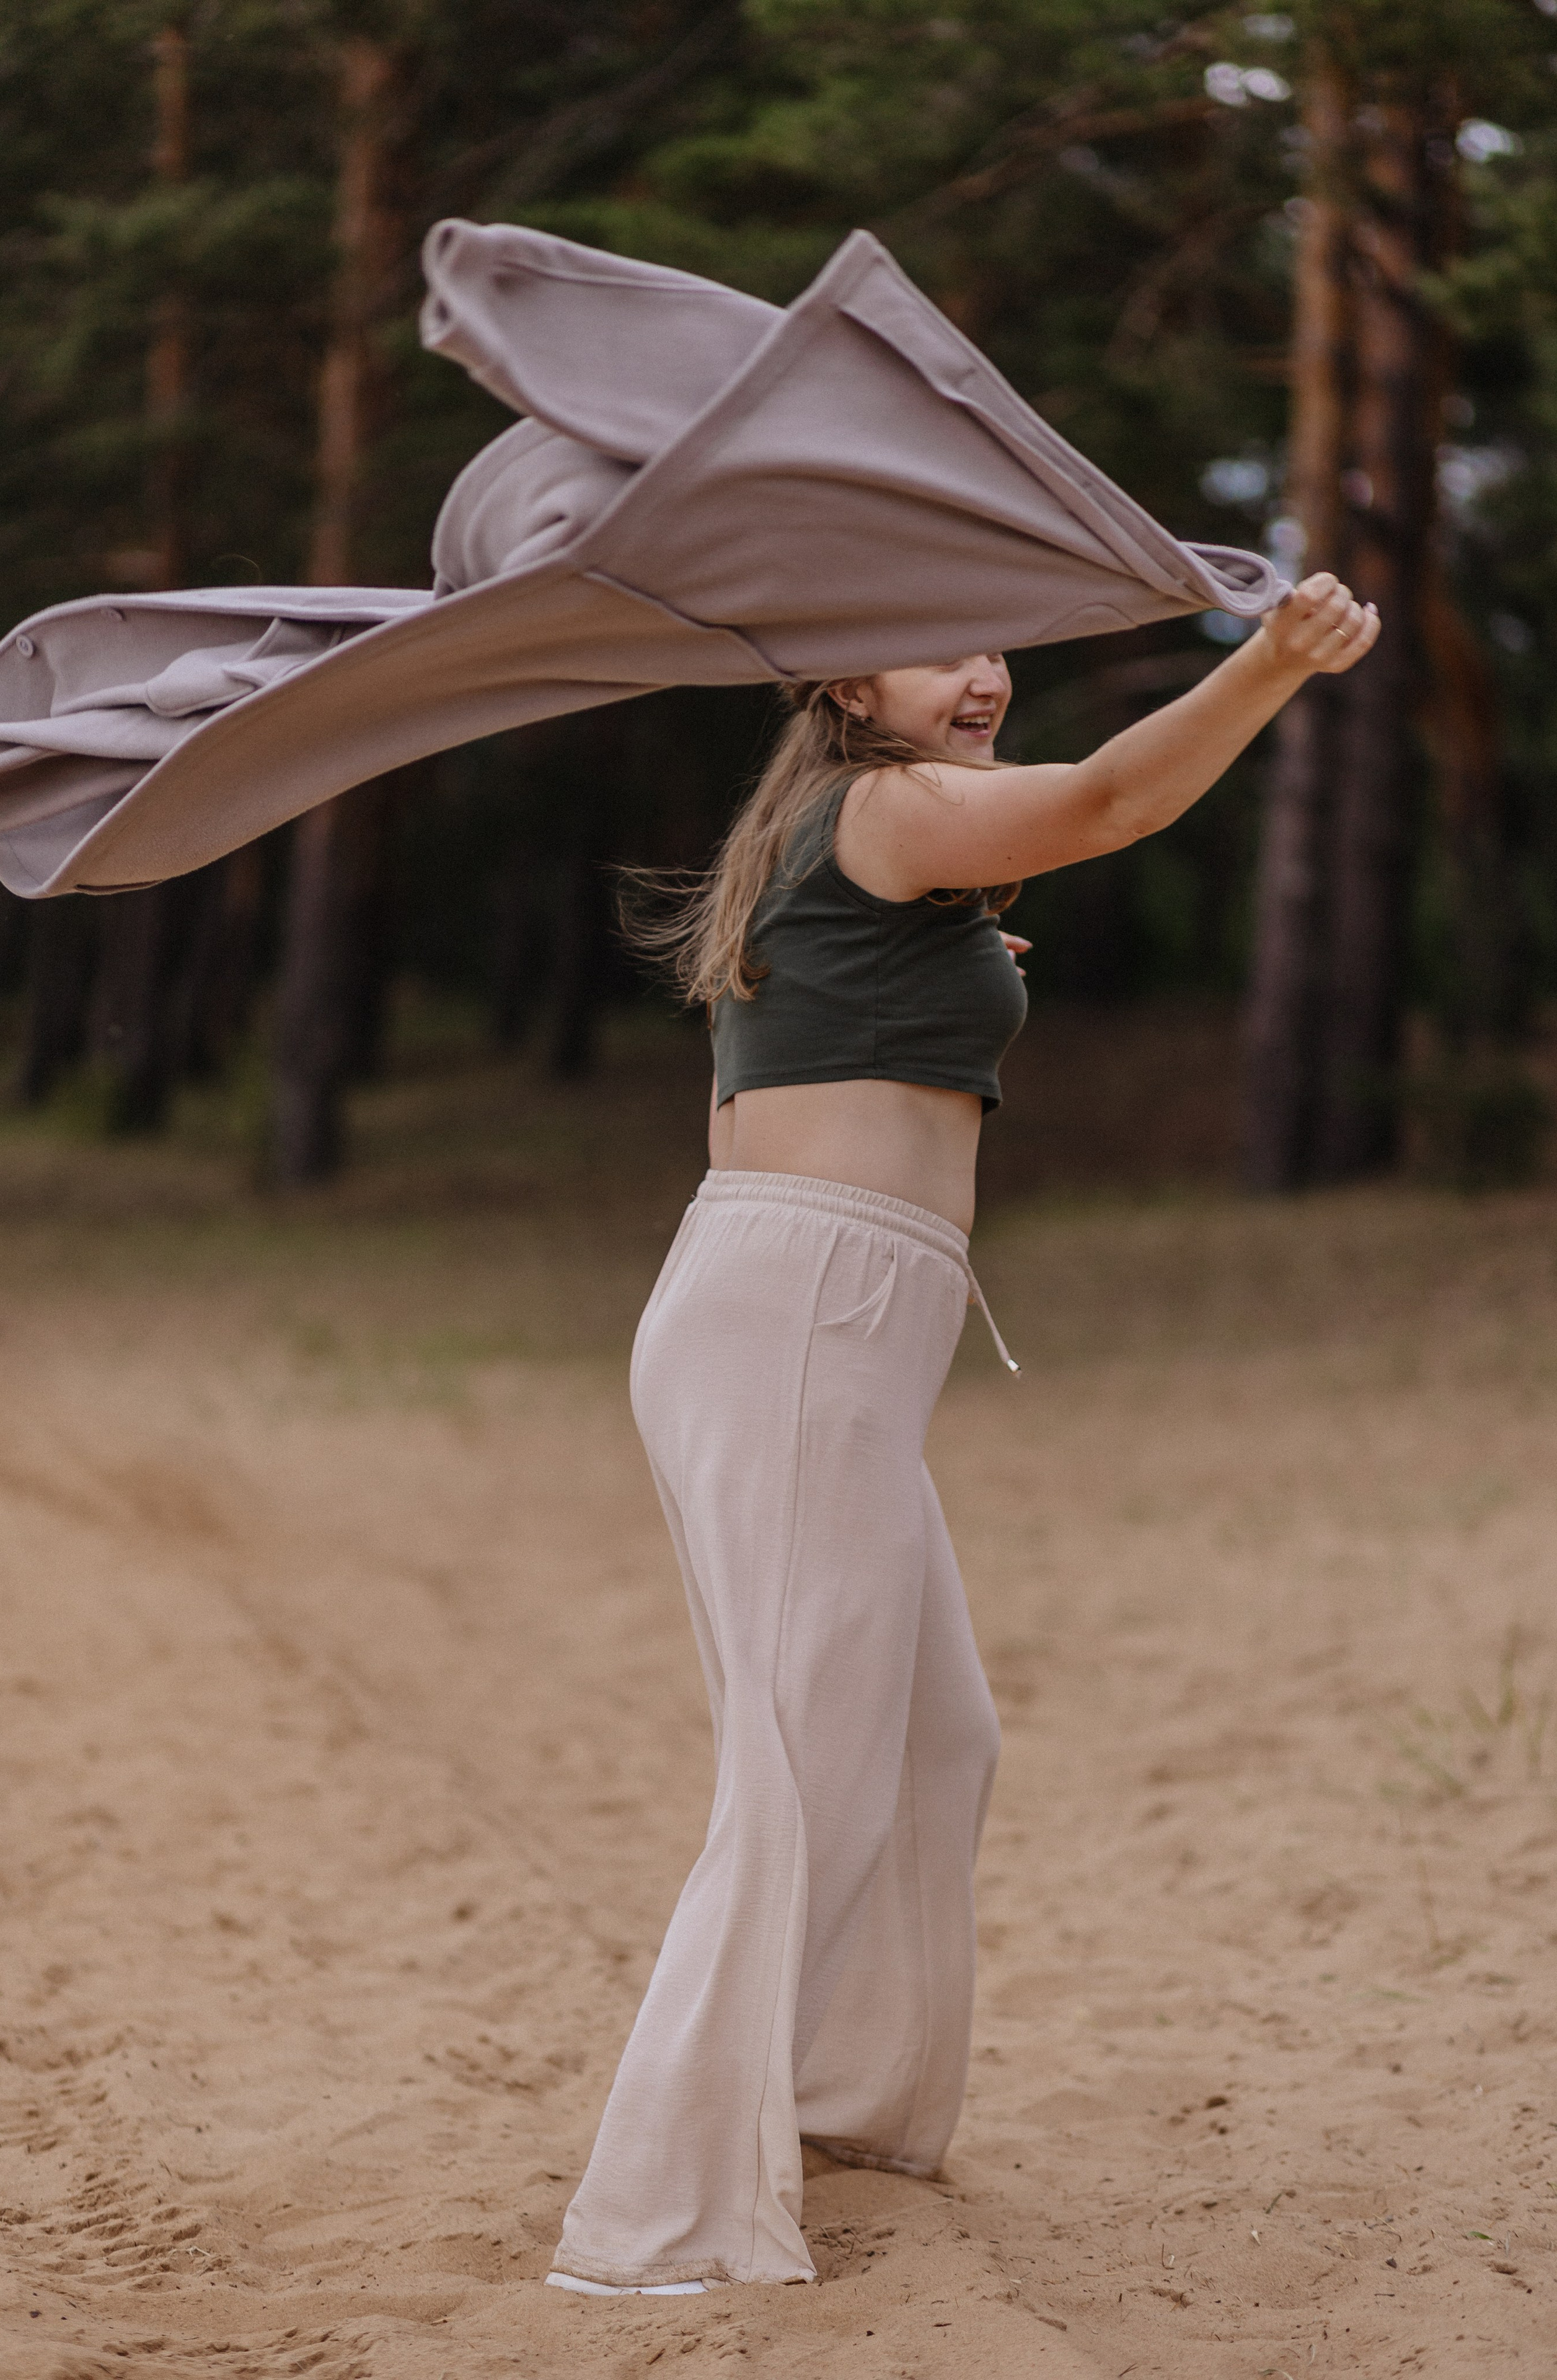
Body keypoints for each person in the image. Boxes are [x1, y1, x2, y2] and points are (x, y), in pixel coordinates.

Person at [545, 573, 1380, 2300]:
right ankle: (659, 2226)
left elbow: (802, 1051)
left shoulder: (850, 831)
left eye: (994, 644)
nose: (984, 673)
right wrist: (1274, 662)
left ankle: (844, 2106)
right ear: (843, 681)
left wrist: (953, 974)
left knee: (936, 1740)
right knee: (799, 1771)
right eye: (939, 646)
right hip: (800, 1321)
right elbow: (1114, 800)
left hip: (814, 1323)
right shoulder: (892, 805)